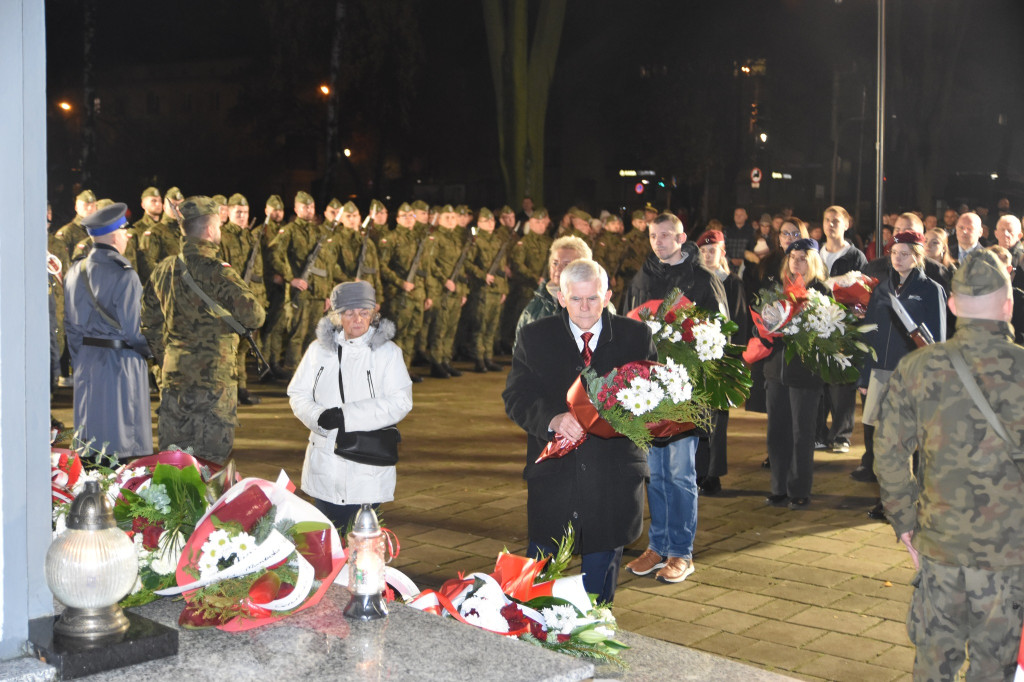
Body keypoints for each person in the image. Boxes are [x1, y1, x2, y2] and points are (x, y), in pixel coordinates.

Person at [874, 250, 1024, 680]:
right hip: (1009, 555)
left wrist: (904, 520)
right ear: (1008, 306)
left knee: (934, 665)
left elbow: (888, 452)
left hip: (939, 545)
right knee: (996, 667)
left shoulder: (917, 367)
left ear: (954, 305)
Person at [503, 259, 657, 604]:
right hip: (554, 478)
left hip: (612, 478)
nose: (585, 308)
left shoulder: (636, 337)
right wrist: (553, 419)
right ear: (561, 297)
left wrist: (624, 414)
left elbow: (651, 399)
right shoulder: (534, 336)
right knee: (534, 591)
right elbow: (516, 396)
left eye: (593, 298)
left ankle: (596, 627)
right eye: (576, 299)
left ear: (608, 296)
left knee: (597, 600)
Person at [622, 213, 728, 583]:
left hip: (687, 390)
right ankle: (657, 547)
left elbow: (719, 335)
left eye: (666, 235)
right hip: (649, 391)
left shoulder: (702, 279)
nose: (659, 241)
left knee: (681, 474)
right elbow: (628, 326)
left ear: (682, 238)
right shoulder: (642, 277)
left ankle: (681, 552)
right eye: (654, 235)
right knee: (655, 474)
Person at [142, 196, 265, 463]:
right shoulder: (218, 271)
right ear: (209, 230)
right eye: (218, 226)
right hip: (213, 380)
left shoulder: (163, 269)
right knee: (210, 462)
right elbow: (255, 316)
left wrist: (167, 357)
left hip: (174, 375)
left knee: (174, 460)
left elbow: (148, 323)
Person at [288, 281, 413, 532]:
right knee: (327, 540)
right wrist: (318, 417)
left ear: (373, 314)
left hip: (367, 466)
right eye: (349, 313)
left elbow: (400, 401)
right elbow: (297, 393)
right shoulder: (318, 350)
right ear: (337, 316)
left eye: (364, 312)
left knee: (363, 543)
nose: (357, 319)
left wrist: (346, 416)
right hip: (324, 462)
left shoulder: (388, 353)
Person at [852, 231, 946, 496]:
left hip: (911, 376)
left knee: (909, 441)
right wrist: (864, 376)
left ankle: (914, 496)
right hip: (880, 374)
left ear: (917, 257)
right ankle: (888, 499)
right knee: (884, 442)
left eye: (904, 254)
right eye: (894, 253)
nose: (898, 258)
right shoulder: (882, 288)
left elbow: (937, 339)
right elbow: (869, 333)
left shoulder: (931, 289)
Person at [64, 202, 153, 457]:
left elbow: (70, 327)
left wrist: (82, 358)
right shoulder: (125, 274)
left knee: (91, 445)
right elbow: (134, 331)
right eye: (124, 232)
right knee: (124, 445)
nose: (127, 237)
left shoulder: (74, 272)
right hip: (121, 364)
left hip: (87, 362)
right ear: (115, 236)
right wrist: (151, 352)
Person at [763, 239, 829, 510]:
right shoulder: (776, 289)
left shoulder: (821, 291)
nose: (796, 262)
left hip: (804, 373)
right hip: (776, 371)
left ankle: (799, 489)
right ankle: (778, 487)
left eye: (802, 258)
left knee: (802, 433)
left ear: (813, 261)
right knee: (777, 432)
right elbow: (760, 325)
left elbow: (829, 333)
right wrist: (766, 326)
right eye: (792, 257)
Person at [817, 205, 868, 454]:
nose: (831, 224)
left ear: (847, 224)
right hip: (817, 324)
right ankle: (818, 433)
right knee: (818, 382)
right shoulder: (814, 253)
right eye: (827, 220)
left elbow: (865, 288)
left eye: (836, 220)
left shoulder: (856, 256)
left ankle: (841, 435)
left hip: (844, 326)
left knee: (841, 383)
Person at [515, 235, 593, 342]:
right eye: (555, 263)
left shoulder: (596, 306)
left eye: (567, 264)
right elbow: (520, 345)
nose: (558, 268)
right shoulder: (536, 304)